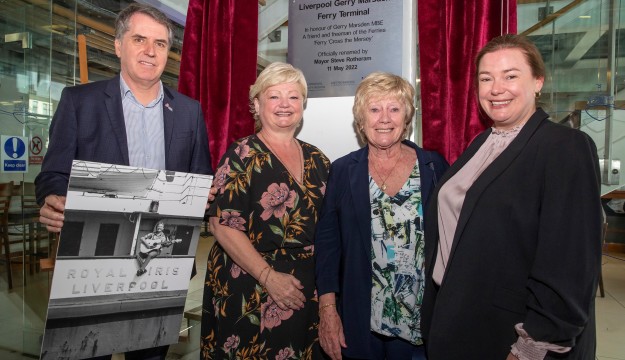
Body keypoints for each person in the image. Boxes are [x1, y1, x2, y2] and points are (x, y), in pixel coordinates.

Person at [35, 3, 212, 360]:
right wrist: (53, 198)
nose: (150, 51)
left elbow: (200, 177)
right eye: (140, 39)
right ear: (119, 46)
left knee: (150, 355)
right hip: (95, 261)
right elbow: (53, 173)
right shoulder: (79, 102)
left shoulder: (190, 112)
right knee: (89, 352)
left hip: (160, 260)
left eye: (160, 43)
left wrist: (202, 197)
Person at [420, 34, 602, 359]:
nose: (496, 88)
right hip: (461, 322)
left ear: (538, 82)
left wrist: (529, 348)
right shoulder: (483, 142)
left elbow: (569, 267)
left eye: (511, 76)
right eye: (486, 78)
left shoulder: (565, 148)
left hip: (508, 337)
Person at [314, 72, 449, 360]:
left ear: (407, 117)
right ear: (361, 120)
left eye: (394, 109)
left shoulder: (434, 166)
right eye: (375, 109)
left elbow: (454, 240)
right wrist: (327, 311)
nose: (385, 118)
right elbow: (328, 247)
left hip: (422, 325)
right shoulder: (342, 170)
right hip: (361, 322)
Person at [201, 62, 330, 359]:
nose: (285, 104)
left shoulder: (318, 159)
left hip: (303, 290)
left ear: (303, 105)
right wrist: (269, 277)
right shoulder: (241, 153)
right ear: (257, 104)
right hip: (249, 285)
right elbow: (222, 225)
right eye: (274, 96)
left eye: (294, 96)